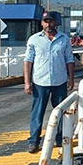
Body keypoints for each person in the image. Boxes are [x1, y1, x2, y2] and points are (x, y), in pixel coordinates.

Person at [23, 11, 75, 153]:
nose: (48, 24)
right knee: (37, 113)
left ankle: (60, 139)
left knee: (61, 112)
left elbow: (69, 59)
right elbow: (28, 61)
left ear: (55, 23)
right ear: (41, 23)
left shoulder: (64, 39)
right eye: (45, 21)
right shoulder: (34, 39)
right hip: (40, 82)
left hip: (59, 81)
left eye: (51, 21)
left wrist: (71, 79)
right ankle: (34, 141)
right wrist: (27, 82)